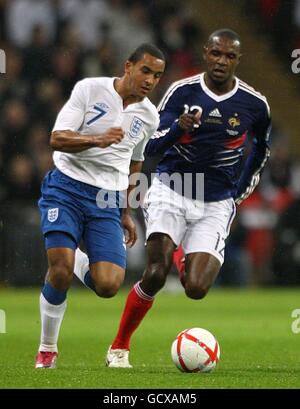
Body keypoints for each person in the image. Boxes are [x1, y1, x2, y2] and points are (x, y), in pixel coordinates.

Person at [105, 29, 272, 368]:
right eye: (215, 53)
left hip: (216, 200)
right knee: (154, 272)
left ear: (238, 60)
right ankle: (119, 346)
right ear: (205, 53)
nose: (221, 61)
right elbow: (149, 145)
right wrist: (179, 128)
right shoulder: (183, 91)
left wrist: (238, 192)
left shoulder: (255, 105)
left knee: (196, 288)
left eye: (229, 56)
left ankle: (185, 255)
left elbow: (261, 151)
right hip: (173, 187)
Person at [34, 43, 166, 369]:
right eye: (145, 70)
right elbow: (57, 138)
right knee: (59, 271)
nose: (150, 80)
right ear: (128, 66)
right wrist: (96, 139)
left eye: (157, 75)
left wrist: (127, 211)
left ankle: (80, 261)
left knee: (107, 285)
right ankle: (47, 349)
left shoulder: (149, 116)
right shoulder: (90, 89)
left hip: (106, 199)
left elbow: (135, 162)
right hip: (65, 186)